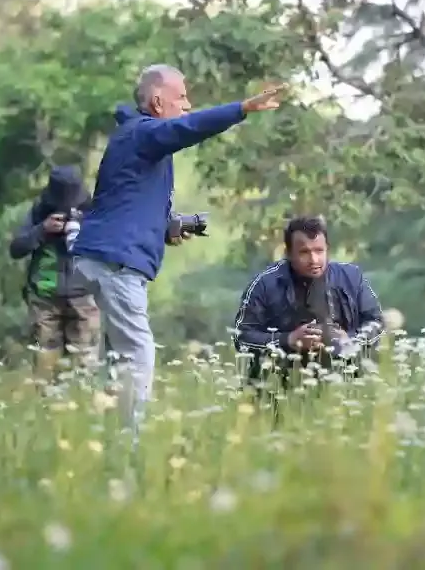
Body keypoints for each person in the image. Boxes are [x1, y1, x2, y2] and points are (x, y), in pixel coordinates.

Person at [71, 65, 287, 427]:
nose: (188, 104)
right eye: (182, 96)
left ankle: (104, 437)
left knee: (118, 361)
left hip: (103, 257)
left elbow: (125, 205)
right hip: (116, 262)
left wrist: (167, 227)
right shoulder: (144, 132)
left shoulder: (135, 139)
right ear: (158, 101)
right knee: (138, 355)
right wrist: (241, 109)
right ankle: (127, 446)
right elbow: (185, 129)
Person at [232, 216, 384, 387]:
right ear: (289, 253)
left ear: (328, 249)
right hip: (280, 385)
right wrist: (288, 340)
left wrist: (349, 339)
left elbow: (376, 322)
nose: (314, 260)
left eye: (319, 251)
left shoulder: (351, 277)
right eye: (304, 252)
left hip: (345, 381)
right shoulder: (264, 284)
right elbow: (242, 337)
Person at [9, 165, 101, 379]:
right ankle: (47, 407)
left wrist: (83, 231)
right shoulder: (40, 210)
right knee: (45, 368)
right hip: (44, 298)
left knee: (84, 368)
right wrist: (43, 230)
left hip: (84, 296)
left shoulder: (92, 210)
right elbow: (16, 248)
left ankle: (79, 408)